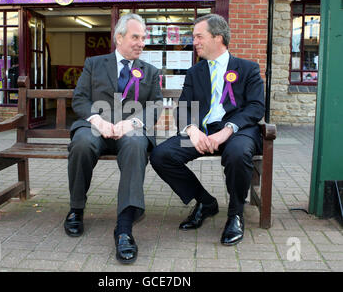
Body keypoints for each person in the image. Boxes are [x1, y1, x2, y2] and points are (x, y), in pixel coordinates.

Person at [150, 14, 265, 246]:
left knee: (238, 153)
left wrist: (227, 130)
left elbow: (256, 106)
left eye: (199, 36)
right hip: (202, 132)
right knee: (161, 155)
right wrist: (192, 130)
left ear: (218, 38)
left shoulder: (248, 68)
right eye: (194, 37)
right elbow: (182, 108)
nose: (195, 42)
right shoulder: (195, 72)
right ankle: (205, 202)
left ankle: (235, 215)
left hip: (237, 131)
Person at [65, 13, 163, 264]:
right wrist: (97, 120)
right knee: (82, 143)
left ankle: (124, 227)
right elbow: (80, 99)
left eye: (143, 38)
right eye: (135, 37)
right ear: (119, 38)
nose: (141, 43)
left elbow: (156, 105)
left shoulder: (149, 71)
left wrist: (132, 123)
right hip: (96, 127)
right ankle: (76, 209)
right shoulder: (94, 64)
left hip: (129, 131)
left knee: (134, 144)